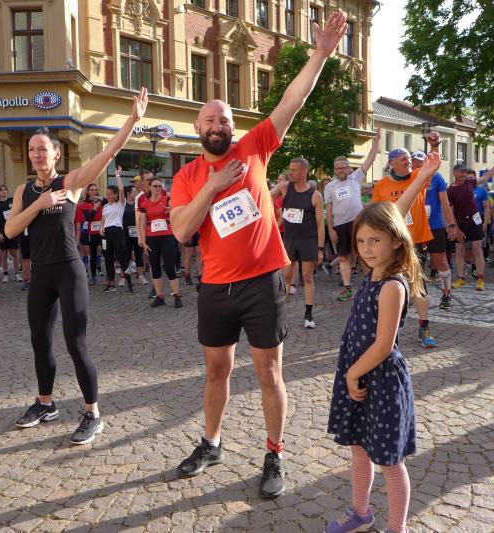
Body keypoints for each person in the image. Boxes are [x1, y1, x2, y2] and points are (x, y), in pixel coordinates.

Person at [169, 11, 349, 498]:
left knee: (269, 372)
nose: (218, 125)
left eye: (225, 119)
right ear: (197, 127)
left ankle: (274, 452)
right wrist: (212, 186)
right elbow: (182, 230)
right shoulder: (187, 177)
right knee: (216, 371)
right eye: (210, 120)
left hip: (262, 281)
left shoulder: (254, 147)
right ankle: (212, 443)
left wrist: (321, 54)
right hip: (215, 287)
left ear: (233, 125)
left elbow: (292, 100)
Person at [8, 88, 149, 445]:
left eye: (43, 149)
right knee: (39, 340)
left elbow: (107, 153)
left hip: (68, 270)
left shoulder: (69, 183)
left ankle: (92, 414)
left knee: (76, 343)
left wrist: (132, 120)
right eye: (32, 149)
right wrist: (39, 204)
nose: (37, 154)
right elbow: (10, 230)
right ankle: (45, 404)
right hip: (41, 273)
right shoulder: (24, 192)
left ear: (56, 153)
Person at [325, 153, 439, 533]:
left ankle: (397, 527)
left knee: (390, 461)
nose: (367, 248)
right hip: (360, 376)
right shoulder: (374, 270)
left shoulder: (392, 285)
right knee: (358, 448)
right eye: (361, 241)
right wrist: (421, 177)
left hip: (380, 380)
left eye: (375, 240)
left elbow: (383, 345)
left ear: (395, 241)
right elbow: (392, 213)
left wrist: (352, 374)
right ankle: (361, 513)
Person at [372, 137, 440, 349]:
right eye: (403, 159)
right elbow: (377, 215)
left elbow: (433, 165)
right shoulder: (382, 185)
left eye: (409, 158)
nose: (408, 161)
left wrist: (434, 145)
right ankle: (387, 330)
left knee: (418, 283)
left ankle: (424, 327)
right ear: (392, 162)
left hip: (415, 240)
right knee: (389, 285)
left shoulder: (418, 177)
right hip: (392, 242)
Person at [325, 130, 381, 301]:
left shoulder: (355, 177)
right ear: (334, 170)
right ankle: (348, 288)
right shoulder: (330, 186)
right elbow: (329, 210)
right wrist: (331, 230)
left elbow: (371, 158)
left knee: (364, 255)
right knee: (344, 257)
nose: (341, 170)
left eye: (343, 167)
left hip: (358, 223)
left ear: (349, 168)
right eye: (338, 168)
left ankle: (371, 286)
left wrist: (377, 139)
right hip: (340, 226)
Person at [271, 158, 325, 328]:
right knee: (286, 276)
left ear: (303, 172)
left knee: (307, 277)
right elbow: (264, 196)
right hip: (289, 239)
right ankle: (281, 313)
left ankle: (308, 315)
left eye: (294, 170)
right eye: (290, 169)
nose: (290, 173)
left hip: (308, 240)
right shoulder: (284, 187)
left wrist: (320, 249)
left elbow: (320, 225)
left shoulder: (315, 195)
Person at [415, 151, 457, 309]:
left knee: (440, 260)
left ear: (426, 162)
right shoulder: (408, 177)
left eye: (420, 162)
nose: (417, 165)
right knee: (415, 262)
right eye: (414, 162)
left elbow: (445, 203)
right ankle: (419, 292)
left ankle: (447, 293)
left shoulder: (437, 177)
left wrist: (451, 225)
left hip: (435, 226)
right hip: (415, 227)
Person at [139, 177, 182, 307]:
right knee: (155, 267)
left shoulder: (167, 199)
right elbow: (142, 224)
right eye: (155, 186)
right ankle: (159, 297)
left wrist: (171, 210)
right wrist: (143, 242)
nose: (158, 188)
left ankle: (176, 295)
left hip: (167, 237)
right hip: (152, 239)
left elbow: (178, 211)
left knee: (169, 266)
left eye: (160, 186)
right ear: (150, 187)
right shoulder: (144, 204)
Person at [447, 164, 487, 291]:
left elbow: (486, 177)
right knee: (459, 250)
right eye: (461, 172)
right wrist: (456, 229)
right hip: (460, 222)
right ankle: (461, 278)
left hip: (475, 220)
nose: (464, 174)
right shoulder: (450, 190)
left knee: (477, 249)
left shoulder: (470, 183)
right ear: (454, 173)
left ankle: (480, 279)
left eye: (465, 172)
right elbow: (450, 212)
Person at [101, 166, 134, 293]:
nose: (108, 196)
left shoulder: (121, 203)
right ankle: (111, 284)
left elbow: (121, 189)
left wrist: (117, 176)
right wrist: (101, 228)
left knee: (121, 258)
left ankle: (129, 283)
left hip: (117, 232)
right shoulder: (105, 207)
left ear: (115, 194)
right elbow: (103, 220)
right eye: (107, 194)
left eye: (110, 194)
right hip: (106, 234)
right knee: (108, 259)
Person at [0, 185, 21, 283]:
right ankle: (5, 274)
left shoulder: (12, 200)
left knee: (15, 253)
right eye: (1, 190)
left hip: (13, 231)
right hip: (2, 232)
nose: (4, 192)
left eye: (5, 190)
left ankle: (17, 274)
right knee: (3, 254)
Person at [122, 185, 148, 285]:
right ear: (128, 193)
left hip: (138, 232)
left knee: (139, 254)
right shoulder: (123, 204)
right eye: (134, 192)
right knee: (126, 255)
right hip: (126, 232)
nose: (136, 194)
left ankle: (141, 276)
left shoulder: (139, 204)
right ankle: (124, 278)